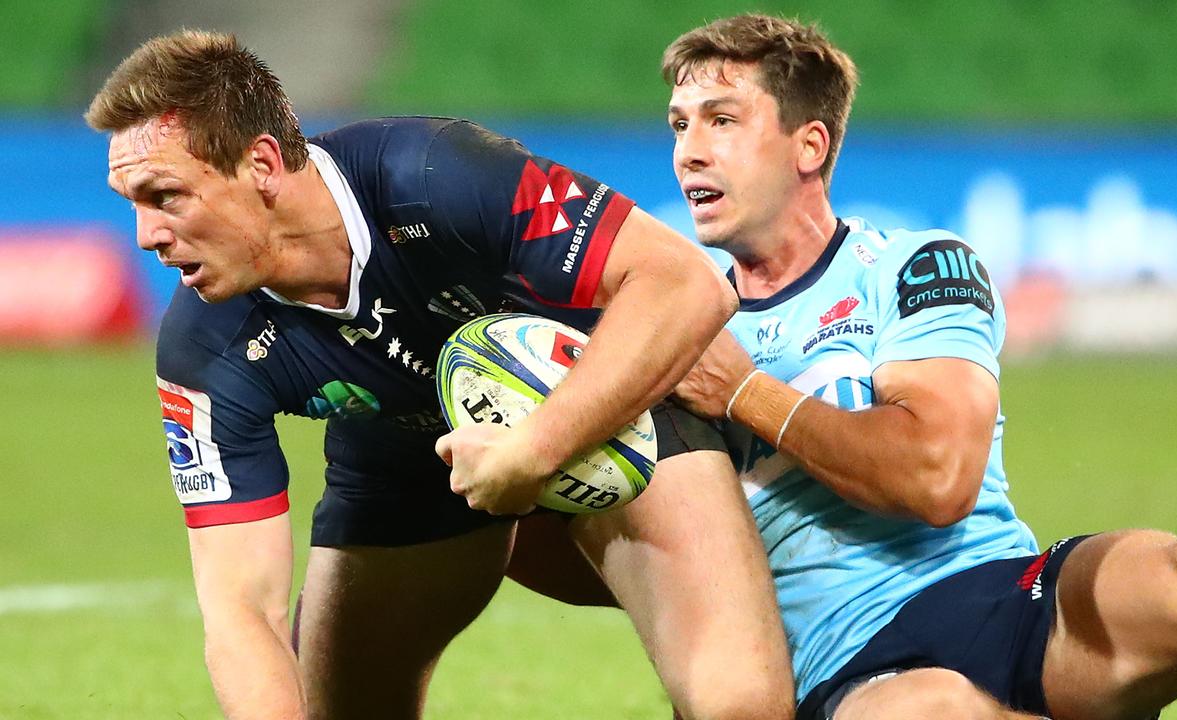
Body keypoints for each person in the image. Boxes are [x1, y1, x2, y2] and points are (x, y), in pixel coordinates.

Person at [86, 30, 793, 720]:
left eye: (166, 196)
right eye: (135, 206)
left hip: (607, 407)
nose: (145, 234)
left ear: (263, 164)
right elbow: (240, 608)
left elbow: (687, 286)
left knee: (738, 704)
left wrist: (535, 447)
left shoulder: (430, 173)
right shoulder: (202, 347)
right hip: (408, 457)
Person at [659, 13, 1177, 720]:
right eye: (680, 125)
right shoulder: (675, 330)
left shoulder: (914, 267)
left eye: (721, 120)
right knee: (934, 709)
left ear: (809, 145)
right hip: (846, 664)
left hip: (1001, 599)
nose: (689, 152)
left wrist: (743, 392)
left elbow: (938, 478)